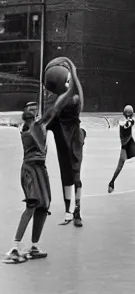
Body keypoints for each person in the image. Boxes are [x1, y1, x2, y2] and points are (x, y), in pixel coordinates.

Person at [4, 104, 51, 264]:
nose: (34, 110)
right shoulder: (29, 129)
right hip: (30, 170)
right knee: (32, 205)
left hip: (40, 169)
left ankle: (34, 247)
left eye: (35, 108)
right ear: (26, 114)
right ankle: (15, 248)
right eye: (30, 109)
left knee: (44, 206)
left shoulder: (38, 127)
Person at [45, 55, 86, 228]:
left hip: (73, 144)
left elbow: (44, 126)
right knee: (70, 179)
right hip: (70, 144)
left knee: (72, 179)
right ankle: (72, 210)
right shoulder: (64, 105)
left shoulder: (66, 104)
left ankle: (74, 211)